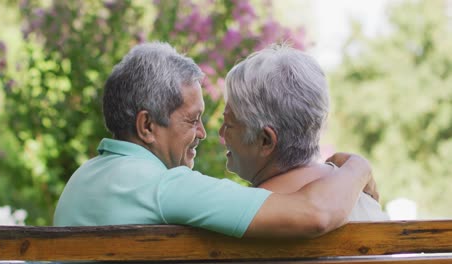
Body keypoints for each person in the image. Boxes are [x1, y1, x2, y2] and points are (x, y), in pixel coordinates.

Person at [54, 42, 376, 238]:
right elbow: (316, 213)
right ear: (147, 126)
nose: (205, 134)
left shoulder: (82, 178)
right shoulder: (165, 187)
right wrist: (359, 168)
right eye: (192, 120)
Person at [220, 44, 388, 221]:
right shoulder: (364, 200)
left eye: (229, 124)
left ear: (265, 141)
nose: (221, 133)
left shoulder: (245, 216)